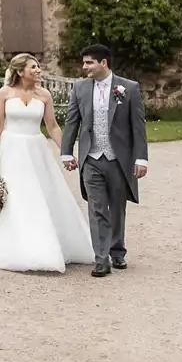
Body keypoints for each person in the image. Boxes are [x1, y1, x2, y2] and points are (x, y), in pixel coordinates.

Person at [0, 54, 94, 273]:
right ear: (19, 71)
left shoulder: (44, 95)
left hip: (36, 150)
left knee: (41, 194)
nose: (38, 70)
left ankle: (46, 244)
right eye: (33, 67)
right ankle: (13, 245)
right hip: (12, 149)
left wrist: (66, 151)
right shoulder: (5, 93)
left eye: (38, 67)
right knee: (14, 195)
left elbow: (52, 126)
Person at [59, 43, 149, 278]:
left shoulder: (128, 88)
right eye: (84, 62)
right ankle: (101, 259)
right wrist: (66, 151)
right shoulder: (79, 88)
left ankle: (117, 251)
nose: (84, 67)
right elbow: (72, 122)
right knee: (97, 208)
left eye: (89, 62)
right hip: (91, 158)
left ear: (103, 63)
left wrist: (141, 158)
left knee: (117, 207)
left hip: (119, 159)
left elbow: (138, 127)